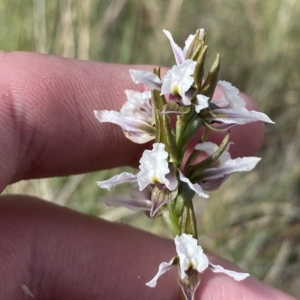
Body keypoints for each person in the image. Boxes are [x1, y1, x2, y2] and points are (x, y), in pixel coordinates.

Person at [0, 51, 296, 300]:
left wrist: (203, 177)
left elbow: (183, 188)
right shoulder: (167, 138)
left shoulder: (196, 119)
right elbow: (157, 186)